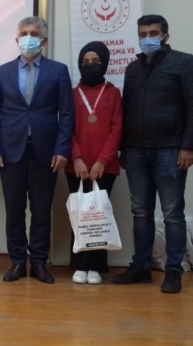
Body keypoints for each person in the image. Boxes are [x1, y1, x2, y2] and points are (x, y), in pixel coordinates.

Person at [113, 14, 193, 293]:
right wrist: (123, 148)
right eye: (142, 34)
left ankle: (173, 271)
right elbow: (126, 109)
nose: (147, 38)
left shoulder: (185, 63)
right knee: (140, 212)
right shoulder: (133, 68)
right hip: (136, 152)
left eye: (153, 33)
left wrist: (189, 146)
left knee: (172, 213)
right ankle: (141, 266)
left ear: (165, 35)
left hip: (171, 150)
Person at [0, 16, 74, 284]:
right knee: (14, 211)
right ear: (16, 39)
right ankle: (16, 262)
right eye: (24, 33)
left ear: (43, 40)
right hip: (10, 153)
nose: (28, 38)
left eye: (34, 33)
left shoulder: (59, 71)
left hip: (45, 153)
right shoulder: (1, 73)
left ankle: (38, 263)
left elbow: (67, 115)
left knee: (41, 211)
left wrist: (62, 149)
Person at [64, 41, 122, 285]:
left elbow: (117, 129)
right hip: (75, 165)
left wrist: (102, 161)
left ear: (104, 63)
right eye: (85, 62)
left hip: (104, 166)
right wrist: (76, 158)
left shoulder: (113, 93)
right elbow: (66, 128)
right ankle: (79, 264)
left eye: (95, 62)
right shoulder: (71, 94)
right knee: (80, 214)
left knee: (99, 214)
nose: (90, 65)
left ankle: (96, 266)